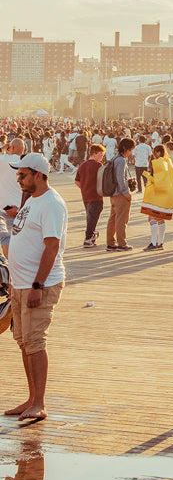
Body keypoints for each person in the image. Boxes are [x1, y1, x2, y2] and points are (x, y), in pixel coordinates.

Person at [2, 153, 67, 425]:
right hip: (20, 282)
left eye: (23, 175)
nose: (18, 180)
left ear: (39, 175)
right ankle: (31, 399)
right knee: (24, 341)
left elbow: (52, 246)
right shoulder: (32, 200)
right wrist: (16, 217)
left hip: (38, 284)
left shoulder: (51, 203)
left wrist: (37, 285)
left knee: (35, 342)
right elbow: (25, 234)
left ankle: (39, 403)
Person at [140, 143, 173, 251]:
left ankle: (153, 243)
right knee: (160, 218)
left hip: (157, 193)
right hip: (168, 193)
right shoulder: (168, 161)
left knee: (152, 217)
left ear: (158, 152)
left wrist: (146, 175)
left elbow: (157, 180)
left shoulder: (159, 162)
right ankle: (160, 243)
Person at [104, 138, 136, 251]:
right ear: (125, 149)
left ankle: (110, 242)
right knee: (121, 220)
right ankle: (122, 243)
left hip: (113, 193)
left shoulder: (114, 158)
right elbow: (120, 178)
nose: (131, 153)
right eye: (130, 150)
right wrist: (126, 193)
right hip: (120, 194)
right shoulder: (121, 160)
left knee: (113, 218)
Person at [74, 142, 106, 248]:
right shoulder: (98, 165)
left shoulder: (83, 165)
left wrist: (84, 188)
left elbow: (77, 181)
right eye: (101, 154)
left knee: (90, 216)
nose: (102, 157)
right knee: (93, 218)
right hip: (96, 195)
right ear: (94, 153)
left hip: (86, 196)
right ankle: (88, 238)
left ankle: (91, 237)